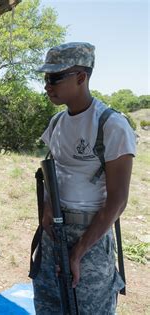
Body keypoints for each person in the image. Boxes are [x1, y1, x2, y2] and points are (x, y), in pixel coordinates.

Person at [32, 42, 136, 314]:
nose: (47, 85)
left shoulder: (111, 125)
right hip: (54, 230)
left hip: (91, 234)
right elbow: (50, 173)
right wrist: (46, 209)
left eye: (54, 77)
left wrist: (77, 253)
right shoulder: (56, 123)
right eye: (45, 78)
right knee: (49, 305)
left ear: (81, 77)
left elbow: (117, 201)